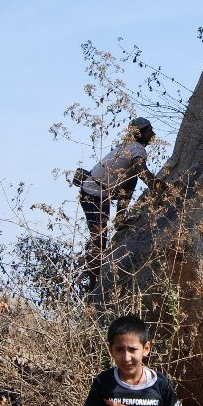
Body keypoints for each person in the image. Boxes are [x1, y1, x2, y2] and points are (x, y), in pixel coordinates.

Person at [78, 118, 160, 285]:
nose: (153, 134)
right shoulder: (137, 148)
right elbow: (142, 170)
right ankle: (92, 287)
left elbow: (135, 175)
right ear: (140, 133)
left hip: (95, 189)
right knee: (99, 243)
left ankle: (119, 218)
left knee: (131, 178)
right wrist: (162, 191)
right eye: (150, 130)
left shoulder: (126, 146)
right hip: (95, 194)